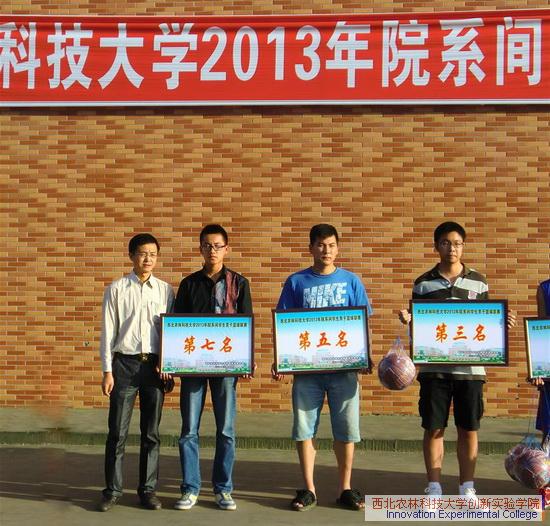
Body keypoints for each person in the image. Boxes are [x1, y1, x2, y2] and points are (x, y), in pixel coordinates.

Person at [398, 221, 516, 499]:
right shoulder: (423, 283)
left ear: (463, 246)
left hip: (470, 371)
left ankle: (467, 487)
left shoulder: (479, 281)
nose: (452, 248)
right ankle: (434, 487)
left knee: (469, 429)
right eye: (446, 243)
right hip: (434, 370)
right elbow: (419, 328)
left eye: (458, 243)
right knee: (433, 428)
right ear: (436, 246)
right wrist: (409, 321)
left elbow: (485, 324)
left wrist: (502, 324)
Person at [273, 224, 373, 512]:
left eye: (330, 245)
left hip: (344, 370)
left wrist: (366, 355)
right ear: (311, 248)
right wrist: (279, 358)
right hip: (308, 371)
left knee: (347, 429)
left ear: (337, 248)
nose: (325, 250)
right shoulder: (296, 282)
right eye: (320, 244)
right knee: (304, 428)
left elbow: (363, 322)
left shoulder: (351, 281)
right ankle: (309, 488)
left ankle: (345, 488)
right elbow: (284, 323)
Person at [173, 224, 252, 511]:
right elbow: (177, 327)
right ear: (200, 249)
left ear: (226, 249)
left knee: (226, 430)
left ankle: (223, 489)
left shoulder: (238, 283)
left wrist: (246, 358)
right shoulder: (188, 284)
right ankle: (190, 488)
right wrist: (171, 361)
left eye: (218, 245)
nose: (212, 250)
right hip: (193, 367)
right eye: (207, 245)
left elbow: (246, 322)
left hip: (226, 367)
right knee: (188, 430)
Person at [98, 233, 175, 512]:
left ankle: (148, 490)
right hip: (124, 366)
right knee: (117, 432)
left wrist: (169, 364)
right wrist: (107, 371)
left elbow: (171, 332)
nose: (148, 259)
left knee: (151, 433)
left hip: (154, 368)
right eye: (143, 253)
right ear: (131, 255)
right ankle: (112, 490)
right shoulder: (117, 289)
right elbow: (108, 332)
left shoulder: (165, 290)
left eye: (153, 254)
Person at [531, 279, 549, 508]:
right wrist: (538, 368)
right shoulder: (545, 289)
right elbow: (540, 329)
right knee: (549, 431)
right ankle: (547, 488)